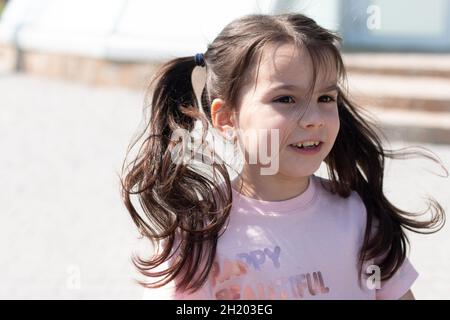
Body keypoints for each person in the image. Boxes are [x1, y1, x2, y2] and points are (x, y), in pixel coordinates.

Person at [121, 13, 446, 300]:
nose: (313, 118)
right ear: (226, 118)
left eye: (325, 97)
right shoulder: (197, 240)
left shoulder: (359, 216)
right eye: (286, 99)